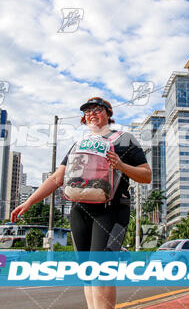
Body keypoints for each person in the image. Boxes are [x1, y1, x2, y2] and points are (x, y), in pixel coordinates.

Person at [11, 97, 151, 309]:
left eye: (97, 109)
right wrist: (29, 202)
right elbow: (57, 178)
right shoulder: (79, 145)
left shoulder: (125, 139)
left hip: (111, 209)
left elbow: (146, 175)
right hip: (79, 210)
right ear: (83, 119)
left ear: (109, 114)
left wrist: (121, 165)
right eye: (87, 112)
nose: (92, 114)